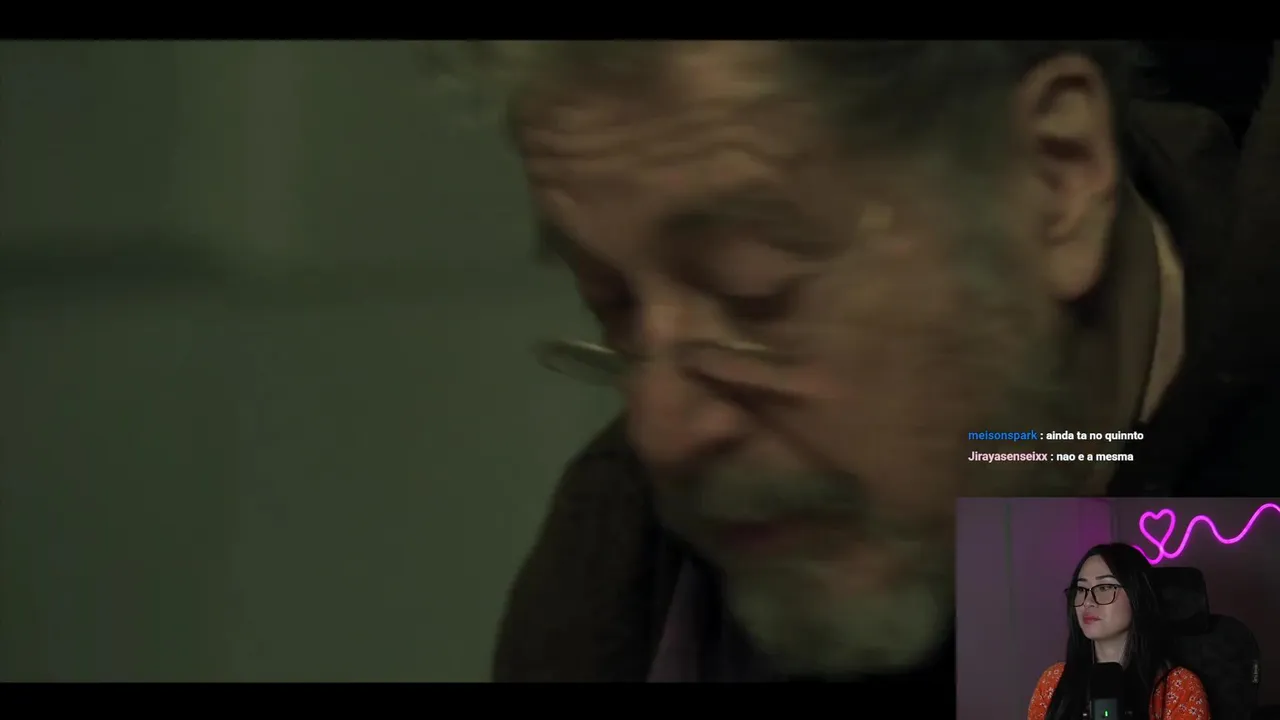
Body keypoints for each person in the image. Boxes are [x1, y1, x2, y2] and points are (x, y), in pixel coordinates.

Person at [422, 41, 1280, 682]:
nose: (662, 432)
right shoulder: (623, 580)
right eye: (611, 304)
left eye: (754, 292)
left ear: (1052, 176)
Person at [1028, 543, 1209, 720]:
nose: (1087, 601)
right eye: (1081, 589)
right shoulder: (1053, 681)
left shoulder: (1178, 687)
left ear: (1137, 595)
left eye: (1104, 588)